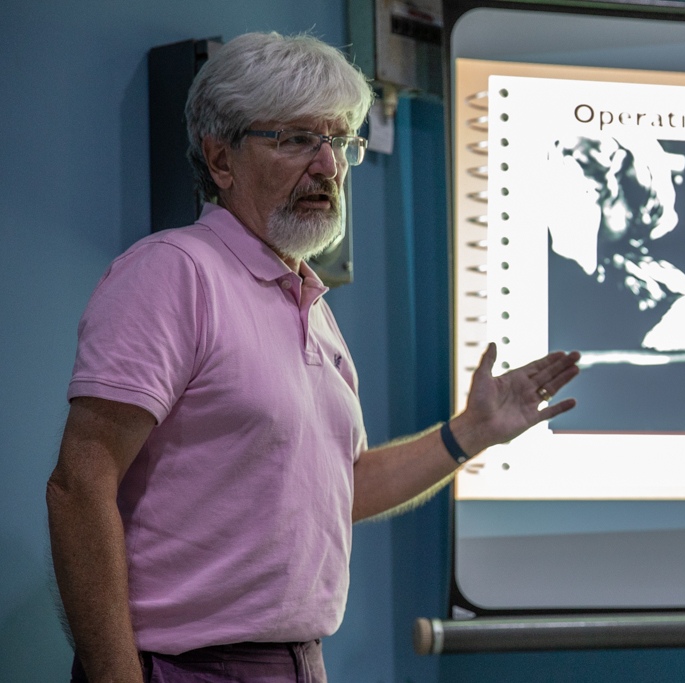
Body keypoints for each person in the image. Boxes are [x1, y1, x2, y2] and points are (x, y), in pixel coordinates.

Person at [45, 31, 580, 683]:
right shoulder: (173, 272)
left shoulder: (308, 301)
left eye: (340, 140)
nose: (328, 165)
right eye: (297, 139)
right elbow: (80, 484)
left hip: (298, 661)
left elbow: (340, 489)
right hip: (185, 666)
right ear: (220, 158)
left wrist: (471, 432)